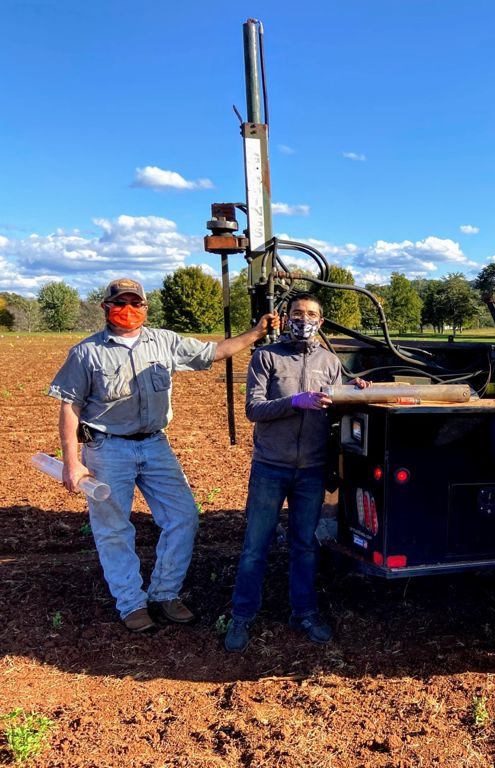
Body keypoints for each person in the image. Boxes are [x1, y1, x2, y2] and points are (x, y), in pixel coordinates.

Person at [49, 277, 278, 632]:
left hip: (155, 444)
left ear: (145, 307)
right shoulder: (87, 352)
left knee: (183, 515)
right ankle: (131, 604)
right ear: (105, 307)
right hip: (107, 448)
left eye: (134, 303)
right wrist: (72, 461)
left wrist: (255, 333)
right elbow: (70, 407)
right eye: (120, 303)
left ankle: (165, 594)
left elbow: (212, 353)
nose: (128, 310)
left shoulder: (163, 341)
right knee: (113, 529)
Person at [224, 293, 368, 652]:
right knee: (255, 546)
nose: (304, 319)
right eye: (297, 313)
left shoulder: (330, 362)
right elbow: (254, 410)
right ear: (286, 318)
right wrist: (293, 402)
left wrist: (353, 392)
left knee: (304, 545)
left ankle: (303, 612)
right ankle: (242, 615)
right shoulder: (266, 357)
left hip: (311, 471)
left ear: (321, 320)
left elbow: (336, 410)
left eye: (312, 314)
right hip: (271, 467)